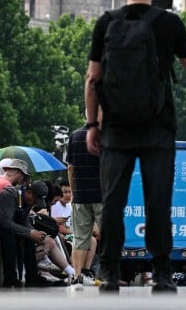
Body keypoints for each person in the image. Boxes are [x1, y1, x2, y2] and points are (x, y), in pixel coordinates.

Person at [85, 0, 186, 293]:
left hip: (116, 130)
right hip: (158, 127)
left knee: (114, 202)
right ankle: (161, 272)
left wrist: (93, 125)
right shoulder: (169, 23)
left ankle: (108, 271)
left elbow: (93, 79)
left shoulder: (106, 22)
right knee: (158, 200)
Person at [0, 159, 47, 287]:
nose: (34, 203)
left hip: (3, 224)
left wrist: (33, 233)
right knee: (9, 234)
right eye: (35, 199)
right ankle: (10, 278)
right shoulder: (10, 194)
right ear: (29, 192)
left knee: (28, 238)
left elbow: (23, 220)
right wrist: (29, 232)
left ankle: (32, 276)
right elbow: (6, 222)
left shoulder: (27, 199)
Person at [67, 113, 103, 285]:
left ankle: (77, 276)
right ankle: (110, 275)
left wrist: (74, 192)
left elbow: (71, 168)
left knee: (80, 238)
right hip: (102, 196)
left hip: (81, 196)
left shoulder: (74, 137)